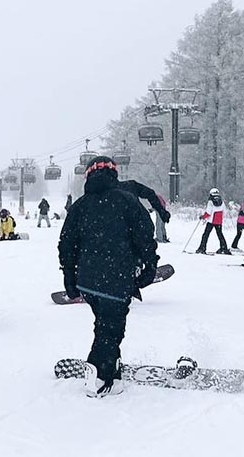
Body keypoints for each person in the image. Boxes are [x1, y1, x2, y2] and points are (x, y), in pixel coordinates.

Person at [58, 156, 157, 398]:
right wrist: (149, 266)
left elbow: (66, 244)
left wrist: (69, 278)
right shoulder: (128, 201)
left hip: (88, 281)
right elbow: (146, 235)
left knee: (104, 323)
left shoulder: (80, 206)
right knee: (112, 329)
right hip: (117, 276)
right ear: (114, 174)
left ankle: (111, 365)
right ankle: (98, 373)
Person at [196, 188, 230, 255]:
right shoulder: (221, 201)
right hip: (219, 221)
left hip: (211, 221)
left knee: (206, 235)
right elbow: (225, 212)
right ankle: (224, 248)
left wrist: (203, 217)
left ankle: (202, 248)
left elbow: (208, 213)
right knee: (220, 235)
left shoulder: (210, 201)